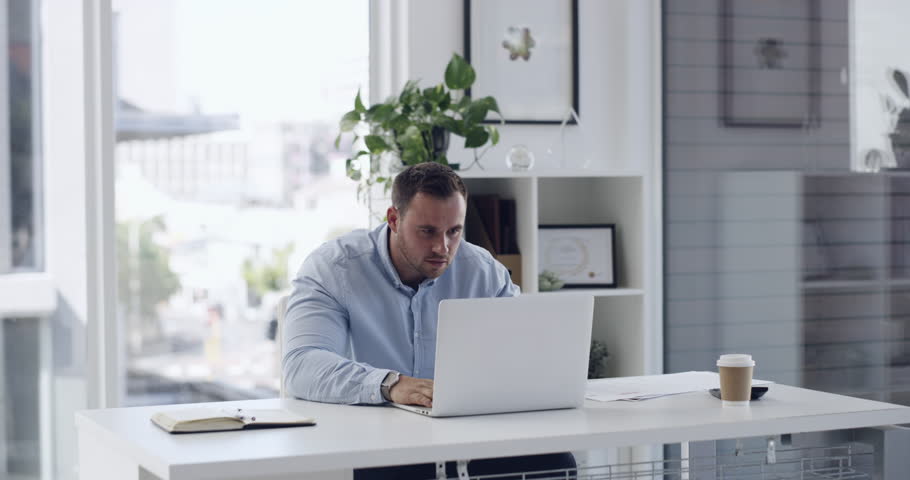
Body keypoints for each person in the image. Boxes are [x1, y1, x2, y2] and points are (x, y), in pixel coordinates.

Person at [283, 162, 575, 479]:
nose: (443, 248)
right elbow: (301, 365)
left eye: (454, 231)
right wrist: (389, 384)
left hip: (467, 434)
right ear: (394, 219)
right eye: (427, 232)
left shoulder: (482, 270)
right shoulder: (334, 268)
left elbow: (524, 343)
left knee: (556, 461)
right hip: (373, 441)